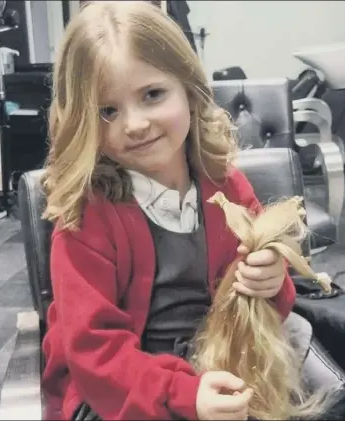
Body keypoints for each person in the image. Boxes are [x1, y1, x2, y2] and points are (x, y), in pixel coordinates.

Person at [41, 1, 295, 420]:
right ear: (81, 121)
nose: (135, 123)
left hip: (220, 358)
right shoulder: (84, 219)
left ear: (190, 91)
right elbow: (95, 352)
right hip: (121, 387)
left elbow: (263, 308)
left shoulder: (227, 186)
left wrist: (271, 280)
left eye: (152, 94)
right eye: (108, 110)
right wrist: (183, 394)